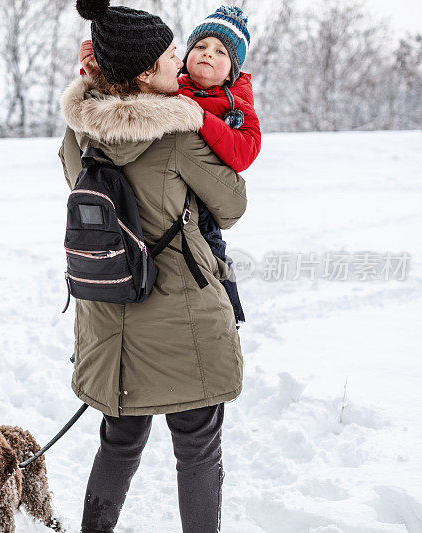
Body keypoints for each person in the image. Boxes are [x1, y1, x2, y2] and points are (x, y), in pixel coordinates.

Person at [59, 1, 248, 531]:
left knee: (118, 442)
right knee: (197, 446)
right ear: (146, 71)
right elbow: (232, 206)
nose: (180, 63)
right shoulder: (179, 133)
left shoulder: (79, 131)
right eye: (171, 54)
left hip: (107, 316)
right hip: (181, 320)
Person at [78, 5, 259, 327]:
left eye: (220, 52)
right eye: (198, 47)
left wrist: (201, 119)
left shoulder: (81, 130)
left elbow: (243, 153)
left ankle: (233, 311)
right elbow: (233, 206)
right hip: (177, 270)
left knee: (216, 250)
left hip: (107, 275)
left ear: (233, 71)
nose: (205, 55)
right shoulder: (174, 112)